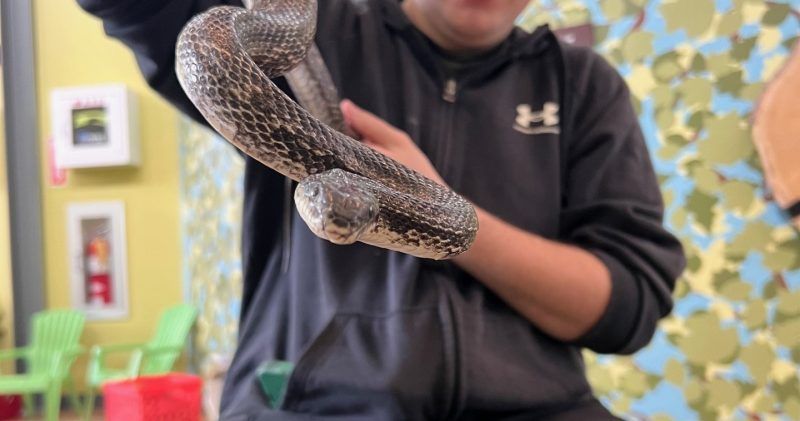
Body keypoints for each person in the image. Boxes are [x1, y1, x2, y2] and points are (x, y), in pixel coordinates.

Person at [76, 0, 686, 419]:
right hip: (305, 405)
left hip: (538, 408)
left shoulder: (581, 83)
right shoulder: (319, 25)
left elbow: (626, 306)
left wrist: (430, 201)